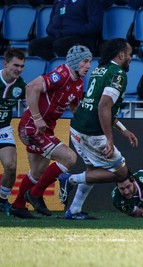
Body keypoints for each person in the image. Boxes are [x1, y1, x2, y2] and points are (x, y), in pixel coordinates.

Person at [8, 45, 93, 219]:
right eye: (85, 61)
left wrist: (88, 113)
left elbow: (74, 107)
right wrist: (37, 118)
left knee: (38, 171)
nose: (88, 66)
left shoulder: (78, 82)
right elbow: (31, 87)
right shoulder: (61, 74)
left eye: (89, 62)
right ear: (76, 62)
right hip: (32, 127)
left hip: (44, 129)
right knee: (69, 158)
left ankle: (18, 205)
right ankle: (36, 194)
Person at [58, 38, 138, 220]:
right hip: (92, 133)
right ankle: (68, 179)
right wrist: (110, 139)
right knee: (121, 172)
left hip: (78, 126)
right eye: (129, 54)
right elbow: (103, 107)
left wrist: (123, 130)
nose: (131, 57)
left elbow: (99, 107)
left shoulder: (99, 70)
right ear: (121, 55)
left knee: (93, 170)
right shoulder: (118, 74)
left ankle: (74, 210)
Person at [28, 0, 103, 61]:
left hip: (81, 38)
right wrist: (51, 29)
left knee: (59, 44)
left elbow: (95, 25)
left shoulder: (90, 1)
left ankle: (70, 71)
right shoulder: (59, 1)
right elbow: (52, 20)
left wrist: (75, 30)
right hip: (58, 36)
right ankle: (55, 66)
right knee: (34, 44)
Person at [0, 48, 26, 214]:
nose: (19, 69)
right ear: (5, 64)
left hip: (3, 128)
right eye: (16, 65)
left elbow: (29, 107)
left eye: (22, 66)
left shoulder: (21, 86)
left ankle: (2, 201)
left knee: (10, 166)